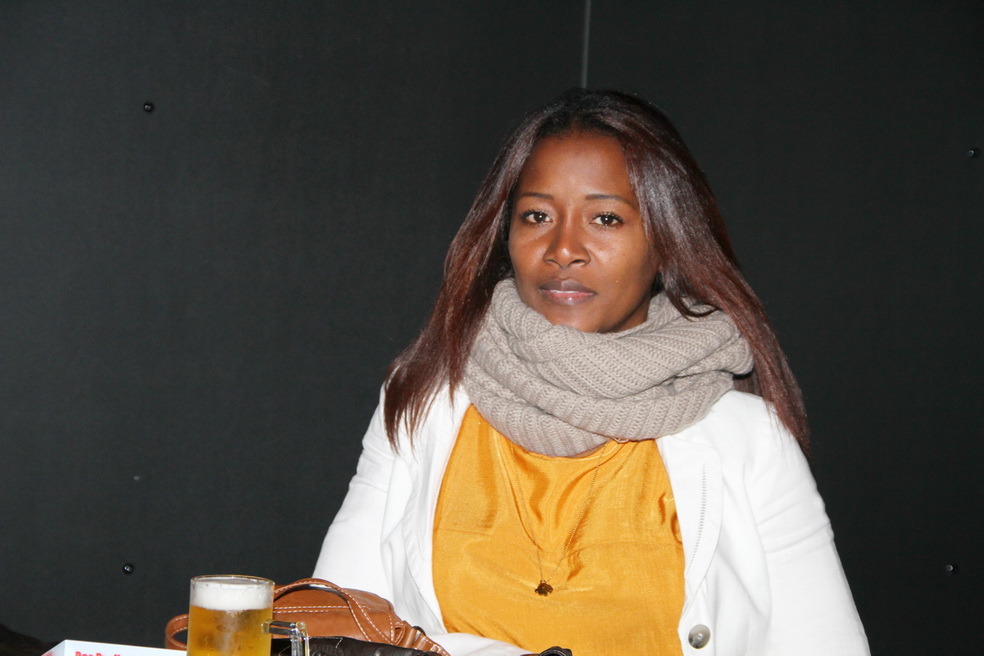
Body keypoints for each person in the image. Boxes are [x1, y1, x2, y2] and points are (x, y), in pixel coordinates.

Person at [314, 89, 869, 656]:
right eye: (537, 216)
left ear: (667, 242)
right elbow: (331, 628)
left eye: (606, 218)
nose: (563, 248)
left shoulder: (749, 440)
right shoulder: (419, 402)